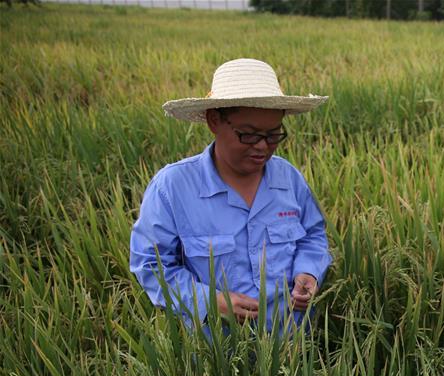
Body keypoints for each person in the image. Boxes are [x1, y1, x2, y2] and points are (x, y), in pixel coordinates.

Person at [130, 59, 331, 334]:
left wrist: (308, 272)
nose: (262, 147)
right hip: (217, 356)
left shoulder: (289, 179)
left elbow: (312, 235)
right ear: (214, 120)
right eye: (248, 135)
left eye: (273, 136)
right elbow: (151, 266)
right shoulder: (173, 187)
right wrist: (210, 301)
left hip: (294, 348)